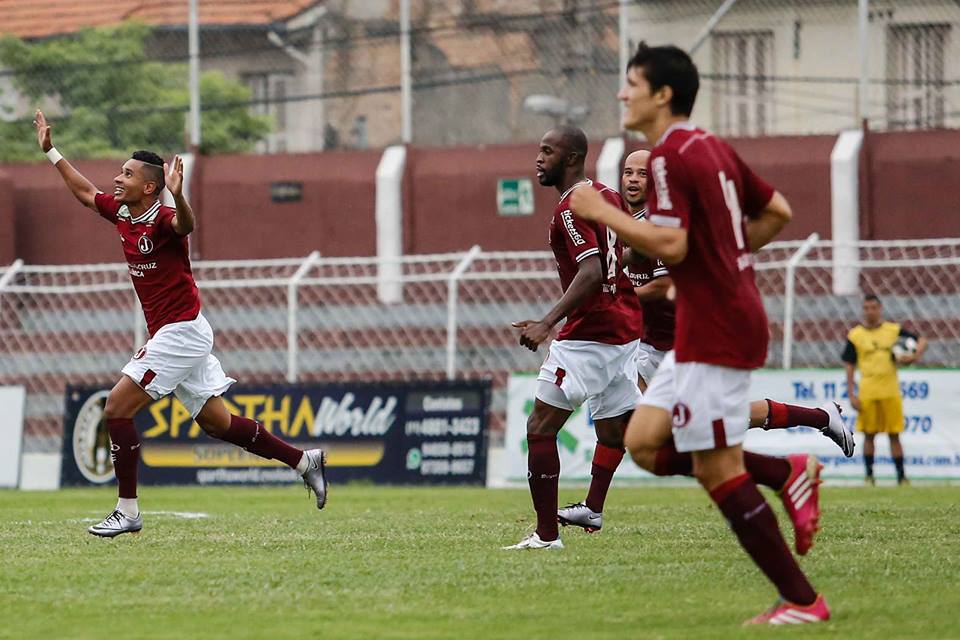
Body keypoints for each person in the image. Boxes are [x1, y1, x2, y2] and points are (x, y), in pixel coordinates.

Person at [569, 44, 831, 624]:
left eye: (631, 83)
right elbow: (778, 211)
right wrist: (721, 260)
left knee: (716, 469)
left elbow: (673, 245)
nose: (623, 93)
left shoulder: (665, 158)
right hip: (709, 322)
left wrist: (600, 209)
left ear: (662, 94)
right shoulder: (709, 145)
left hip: (718, 326)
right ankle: (785, 472)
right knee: (643, 442)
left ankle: (803, 601)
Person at [33, 110, 328, 538]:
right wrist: (51, 151)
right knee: (217, 423)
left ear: (149, 186)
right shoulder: (121, 214)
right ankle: (305, 462)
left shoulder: (164, 220)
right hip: (179, 333)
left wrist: (179, 195)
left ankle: (128, 510)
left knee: (116, 408)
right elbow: (85, 192)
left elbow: (185, 224)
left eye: (127, 174)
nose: (118, 178)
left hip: (180, 331)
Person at [621, 150, 854, 457]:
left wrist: (614, 295)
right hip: (652, 343)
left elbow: (665, 285)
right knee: (631, 418)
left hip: (687, 344)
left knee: (708, 422)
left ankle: (819, 421)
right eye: (628, 172)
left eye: (643, 174)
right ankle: (593, 503)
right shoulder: (631, 223)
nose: (634, 179)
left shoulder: (661, 224)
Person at [503, 125, 643, 549]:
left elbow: (592, 271)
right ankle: (748, 461)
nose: (538, 159)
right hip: (624, 331)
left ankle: (547, 536)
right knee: (625, 433)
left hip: (591, 336)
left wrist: (547, 323)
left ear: (571, 157)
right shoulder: (607, 195)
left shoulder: (571, 208)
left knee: (541, 427)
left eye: (547, 151)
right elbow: (628, 251)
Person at [843, 294, 926, 485]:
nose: (870, 311)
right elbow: (849, 364)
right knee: (869, 435)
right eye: (866, 308)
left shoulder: (893, 330)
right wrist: (851, 393)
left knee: (894, 435)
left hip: (890, 391)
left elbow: (921, 339)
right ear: (863, 310)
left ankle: (901, 477)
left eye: (873, 307)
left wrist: (915, 356)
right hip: (867, 392)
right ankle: (869, 477)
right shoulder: (855, 335)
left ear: (880, 309)